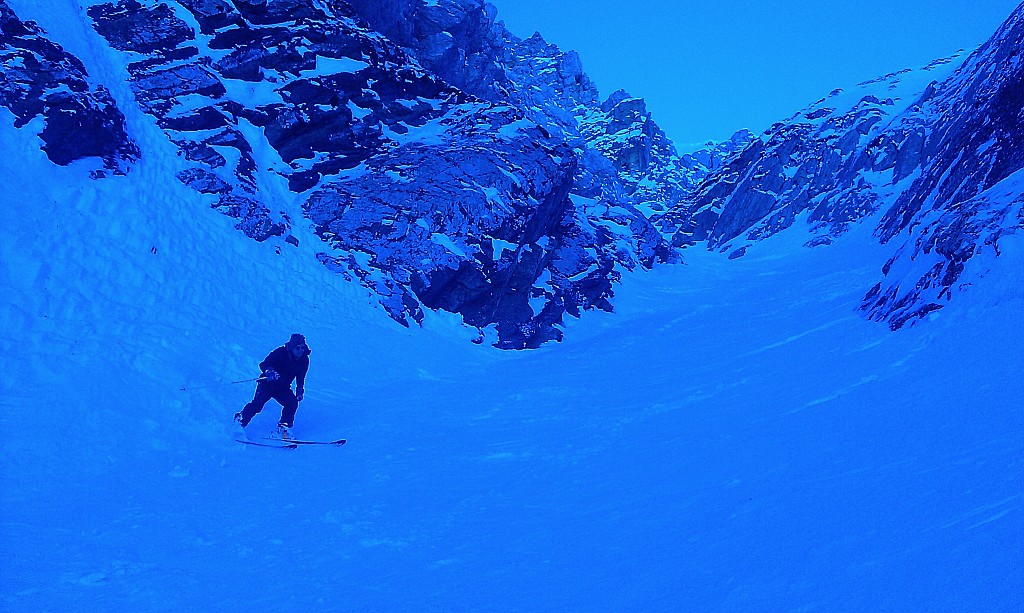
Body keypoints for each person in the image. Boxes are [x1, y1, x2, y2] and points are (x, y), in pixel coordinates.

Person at [235, 334, 311, 438]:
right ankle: (240, 421)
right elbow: (263, 364)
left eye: (302, 347)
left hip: (282, 387)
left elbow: (301, 376)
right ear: (292, 347)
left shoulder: (304, 360)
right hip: (267, 384)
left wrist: (299, 389)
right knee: (257, 405)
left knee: (292, 402)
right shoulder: (280, 352)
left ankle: (283, 429)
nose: (300, 350)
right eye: (297, 347)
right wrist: (269, 371)